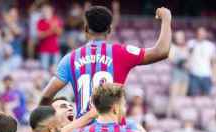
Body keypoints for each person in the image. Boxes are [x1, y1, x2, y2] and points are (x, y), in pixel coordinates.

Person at [40, 5, 172, 117]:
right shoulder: (122, 52)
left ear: (85, 29)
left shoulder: (70, 58)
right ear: (109, 30)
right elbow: (162, 51)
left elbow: (46, 96)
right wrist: (166, 18)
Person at [187, 27, 216, 96]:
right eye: (199, 33)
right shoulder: (191, 43)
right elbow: (187, 57)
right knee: (193, 95)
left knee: (206, 96)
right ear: (196, 34)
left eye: (202, 33)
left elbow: (214, 62)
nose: (200, 35)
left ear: (206, 34)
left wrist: (214, 75)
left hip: (206, 75)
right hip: (193, 74)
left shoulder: (210, 46)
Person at [167, 31, 190, 117]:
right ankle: (169, 116)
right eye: (178, 37)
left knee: (182, 98)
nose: (180, 39)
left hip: (185, 75)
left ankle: (179, 116)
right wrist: (182, 62)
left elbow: (189, 60)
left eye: (181, 37)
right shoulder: (172, 47)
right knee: (173, 97)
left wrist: (187, 64)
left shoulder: (186, 48)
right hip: (176, 75)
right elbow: (171, 59)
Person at [36, 3, 63, 70]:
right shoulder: (40, 22)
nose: (45, 13)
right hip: (44, 51)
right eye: (44, 11)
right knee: (44, 71)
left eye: (47, 11)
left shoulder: (56, 19)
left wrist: (51, 24)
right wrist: (51, 30)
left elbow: (60, 33)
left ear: (51, 11)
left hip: (55, 50)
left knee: (57, 71)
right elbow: (40, 36)